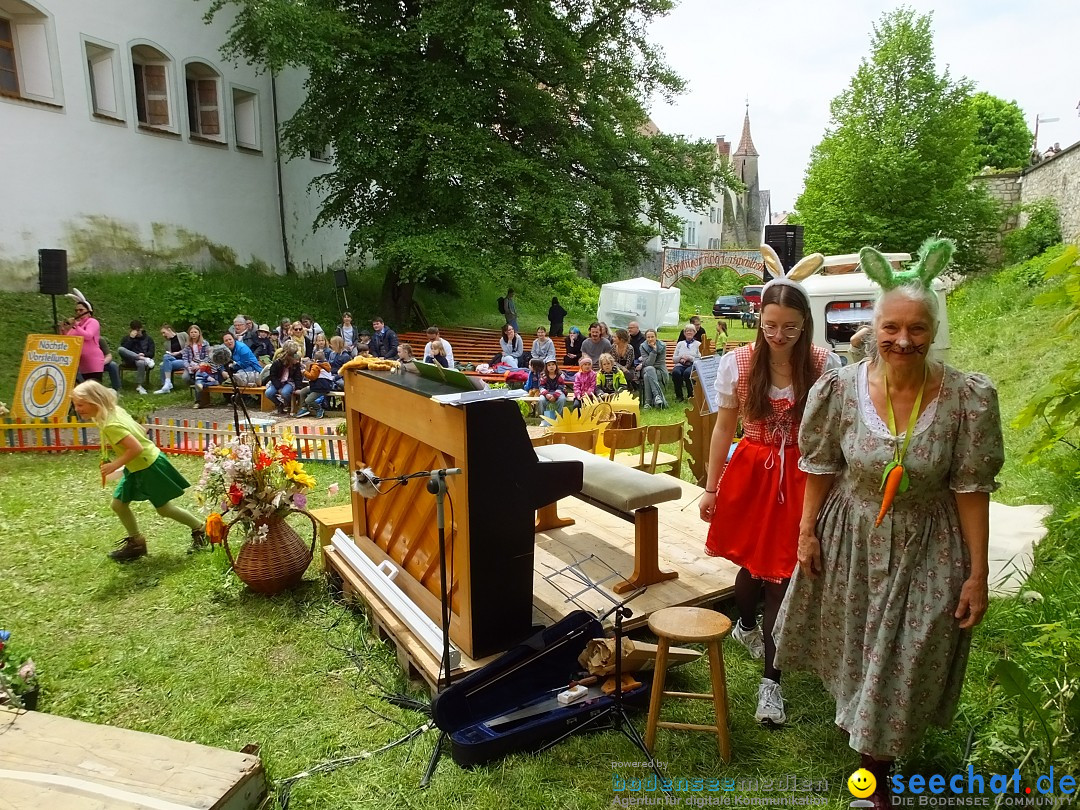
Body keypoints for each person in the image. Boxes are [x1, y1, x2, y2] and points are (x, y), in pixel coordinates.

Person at [774, 242, 1003, 806]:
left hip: (929, 541)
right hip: (852, 534)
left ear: (933, 330)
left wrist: (977, 574)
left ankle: (875, 763)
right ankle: (872, 759)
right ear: (873, 327)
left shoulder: (967, 398)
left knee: (909, 649)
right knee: (860, 644)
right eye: (892, 327)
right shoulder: (840, 391)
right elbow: (822, 465)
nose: (904, 340)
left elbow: (971, 490)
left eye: (918, 328)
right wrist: (807, 531)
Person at [699, 270, 839, 728]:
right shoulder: (738, 362)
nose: (778, 336)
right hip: (753, 472)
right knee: (751, 565)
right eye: (770, 325)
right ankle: (745, 626)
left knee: (782, 573)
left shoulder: (823, 364)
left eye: (790, 327)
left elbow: (837, 432)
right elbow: (724, 427)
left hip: (803, 475)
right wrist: (710, 485)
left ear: (805, 325)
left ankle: (771, 683)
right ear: (759, 319)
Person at [70, 380, 206, 561]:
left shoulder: (111, 424)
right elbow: (141, 430)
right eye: (75, 405)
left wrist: (114, 465)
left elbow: (136, 449)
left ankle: (201, 529)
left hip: (148, 466)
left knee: (164, 509)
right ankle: (137, 543)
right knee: (118, 504)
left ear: (95, 401)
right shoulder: (113, 411)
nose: (77, 409)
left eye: (80, 404)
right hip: (138, 466)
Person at [60, 288, 105, 383]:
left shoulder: (92, 322)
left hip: (93, 360)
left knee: (93, 388)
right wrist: (64, 330)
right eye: (76, 310)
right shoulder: (78, 325)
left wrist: (75, 325)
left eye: (81, 310)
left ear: (88, 311)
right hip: (82, 362)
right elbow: (69, 339)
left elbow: (88, 335)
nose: (78, 313)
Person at [118, 320, 156, 394]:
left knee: (141, 362)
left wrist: (144, 355)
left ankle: (139, 386)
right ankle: (140, 358)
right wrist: (131, 339)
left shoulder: (148, 339)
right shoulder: (127, 338)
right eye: (135, 330)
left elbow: (152, 353)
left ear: (141, 329)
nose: (137, 332)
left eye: (138, 330)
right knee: (120, 349)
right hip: (129, 360)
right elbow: (124, 350)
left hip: (142, 359)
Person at [264, 346, 303, 415]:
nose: (296, 361)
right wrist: (278, 387)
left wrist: (298, 388)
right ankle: (279, 404)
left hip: (289, 382)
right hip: (278, 381)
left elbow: (298, 376)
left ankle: (288, 405)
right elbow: (273, 376)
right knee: (268, 393)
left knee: (285, 392)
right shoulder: (277, 363)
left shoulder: (296, 364)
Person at [637, 329, 669, 408]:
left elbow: (660, 362)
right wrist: (654, 351)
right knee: (650, 369)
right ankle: (657, 396)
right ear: (645, 338)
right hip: (647, 369)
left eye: (652, 337)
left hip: (660, 370)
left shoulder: (662, 346)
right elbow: (648, 363)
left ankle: (648, 402)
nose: (650, 339)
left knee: (647, 375)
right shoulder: (642, 346)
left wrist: (646, 363)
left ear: (656, 337)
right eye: (648, 337)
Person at [297, 351, 334, 418]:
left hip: (320, 388)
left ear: (314, 359)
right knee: (303, 391)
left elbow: (312, 377)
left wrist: (304, 372)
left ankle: (319, 409)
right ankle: (304, 408)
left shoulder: (316, 366)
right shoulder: (326, 364)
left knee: (308, 400)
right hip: (320, 386)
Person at [670, 324, 701, 402]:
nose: (689, 332)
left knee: (687, 374)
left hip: (692, 365)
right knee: (675, 372)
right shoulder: (680, 344)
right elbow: (674, 359)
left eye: (691, 331)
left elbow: (700, 359)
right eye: (687, 331)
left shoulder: (698, 344)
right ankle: (679, 396)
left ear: (695, 333)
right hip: (680, 364)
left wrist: (689, 358)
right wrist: (681, 357)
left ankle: (691, 395)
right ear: (684, 333)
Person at [155, 323, 188, 394]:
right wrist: (171, 354)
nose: (163, 335)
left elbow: (189, 347)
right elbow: (169, 355)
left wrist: (178, 352)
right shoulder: (166, 343)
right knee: (166, 357)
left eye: (164, 332)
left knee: (163, 365)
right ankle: (166, 384)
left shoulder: (183, 335)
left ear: (169, 330)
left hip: (185, 360)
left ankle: (166, 385)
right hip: (174, 359)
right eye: (162, 333)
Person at [181, 325, 211, 390]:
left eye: (195, 332)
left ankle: (199, 390)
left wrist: (199, 365)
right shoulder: (187, 344)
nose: (193, 334)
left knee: (199, 376)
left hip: (201, 364)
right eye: (191, 332)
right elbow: (185, 358)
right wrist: (188, 366)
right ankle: (194, 385)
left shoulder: (205, 344)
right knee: (185, 377)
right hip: (191, 365)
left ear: (199, 333)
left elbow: (208, 357)